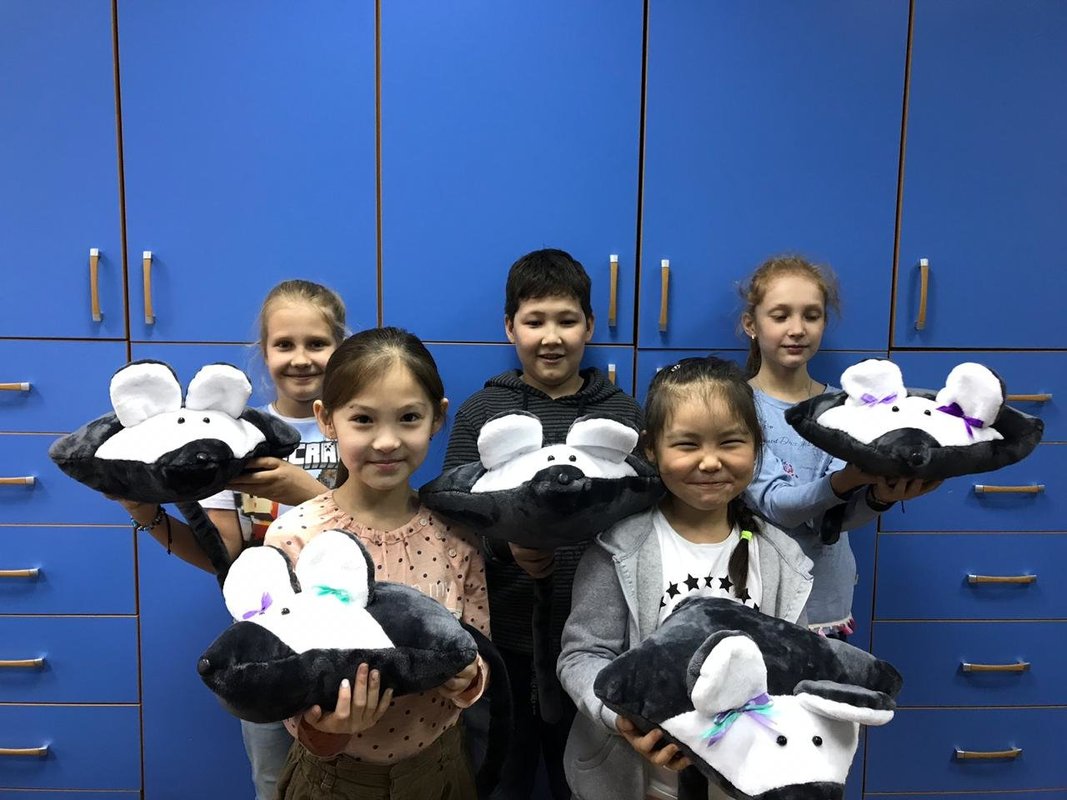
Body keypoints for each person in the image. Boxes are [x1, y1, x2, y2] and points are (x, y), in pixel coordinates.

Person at [118, 279, 348, 800]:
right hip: (263, 642)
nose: (301, 358)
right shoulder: (234, 438)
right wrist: (146, 513)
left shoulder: (358, 425)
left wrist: (306, 493)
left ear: (340, 347)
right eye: (284, 344)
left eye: (317, 343)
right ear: (264, 352)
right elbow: (223, 555)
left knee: (354, 777)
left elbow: (380, 529)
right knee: (273, 780)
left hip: (348, 630)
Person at [557, 356, 813, 800]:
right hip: (639, 785)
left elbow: (800, 667)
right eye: (687, 444)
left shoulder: (781, 560)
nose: (710, 462)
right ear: (651, 448)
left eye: (730, 442)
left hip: (746, 783)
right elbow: (582, 655)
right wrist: (620, 716)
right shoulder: (618, 549)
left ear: (756, 444)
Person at [443, 248, 643, 800]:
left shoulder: (621, 414)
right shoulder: (483, 411)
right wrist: (506, 549)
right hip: (503, 636)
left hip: (600, 640)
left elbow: (641, 514)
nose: (551, 337)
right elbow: (457, 518)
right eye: (534, 322)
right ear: (510, 327)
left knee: (584, 782)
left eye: (566, 321)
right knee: (500, 779)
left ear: (590, 326)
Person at [264, 326, 489, 800]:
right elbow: (276, 677)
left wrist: (469, 679)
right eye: (363, 419)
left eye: (408, 418)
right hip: (334, 780)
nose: (387, 441)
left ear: (437, 417)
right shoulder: (295, 537)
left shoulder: (458, 533)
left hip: (442, 771)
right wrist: (329, 727)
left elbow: (480, 649)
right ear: (327, 419)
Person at [740, 254, 939, 637]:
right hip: (759, 596)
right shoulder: (737, 406)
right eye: (780, 316)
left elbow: (832, 521)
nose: (797, 329)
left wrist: (879, 497)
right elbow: (777, 507)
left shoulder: (846, 410)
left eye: (811, 316)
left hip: (827, 598)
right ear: (751, 324)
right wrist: (850, 480)